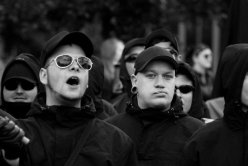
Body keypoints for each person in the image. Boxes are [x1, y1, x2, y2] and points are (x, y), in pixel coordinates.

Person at [0, 31, 138, 166]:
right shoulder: (17, 135)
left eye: (83, 63)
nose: (75, 67)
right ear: (43, 75)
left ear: (88, 79)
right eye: (64, 61)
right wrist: (10, 157)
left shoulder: (116, 142)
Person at [107, 46, 203, 166]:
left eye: (168, 76)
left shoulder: (196, 132)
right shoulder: (111, 130)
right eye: (151, 76)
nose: (160, 84)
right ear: (134, 81)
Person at [182, 44, 248, 166]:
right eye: (247, 75)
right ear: (234, 80)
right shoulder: (204, 140)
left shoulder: (210, 77)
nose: (209, 59)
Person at [0, 53, 43, 166]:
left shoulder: (50, 125)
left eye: (27, 85)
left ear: (39, 88)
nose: (19, 91)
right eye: (11, 85)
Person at [112, 37, 145, 113]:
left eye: (145, 56)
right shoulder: (113, 108)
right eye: (133, 58)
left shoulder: (169, 102)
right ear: (123, 64)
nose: (139, 62)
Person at [99, 38, 124, 102]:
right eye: (121, 50)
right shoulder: (100, 73)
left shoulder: (120, 69)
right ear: (111, 51)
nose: (124, 52)